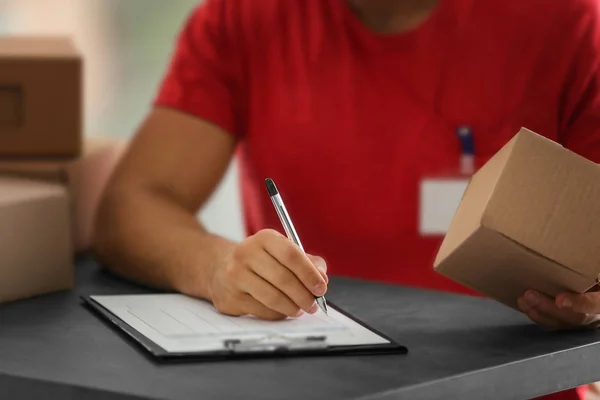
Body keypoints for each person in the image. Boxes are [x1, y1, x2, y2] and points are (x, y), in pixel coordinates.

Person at [93, 0, 600, 399]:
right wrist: (214, 266)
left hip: (516, 388)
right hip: (306, 382)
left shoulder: (570, 24)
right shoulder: (243, 17)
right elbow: (132, 205)